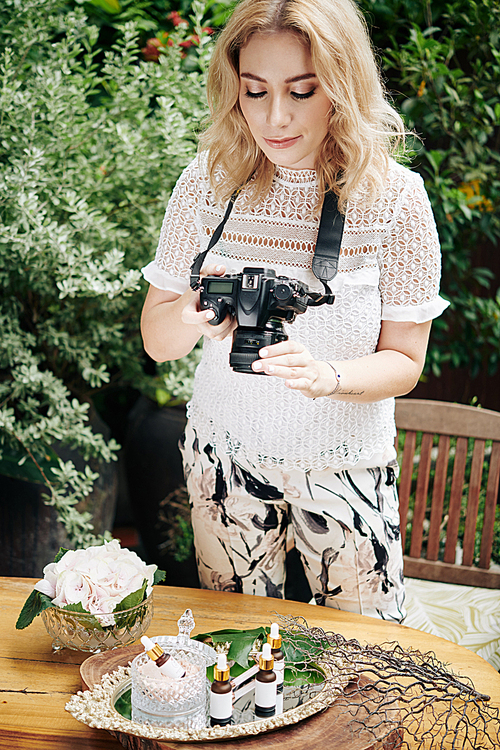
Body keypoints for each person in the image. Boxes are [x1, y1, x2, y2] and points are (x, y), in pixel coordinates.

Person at [140, 0, 449, 622]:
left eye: (301, 92)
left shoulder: (395, 198)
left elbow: (405, 363)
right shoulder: (208, 182)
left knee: (369, 662)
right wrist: (198, 312)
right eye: (254, 93)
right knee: (235, 650)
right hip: (225, 462)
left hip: (345, 469)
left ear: (342, 86)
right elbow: (157, 339)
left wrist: (325, 377)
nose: (275, 118)